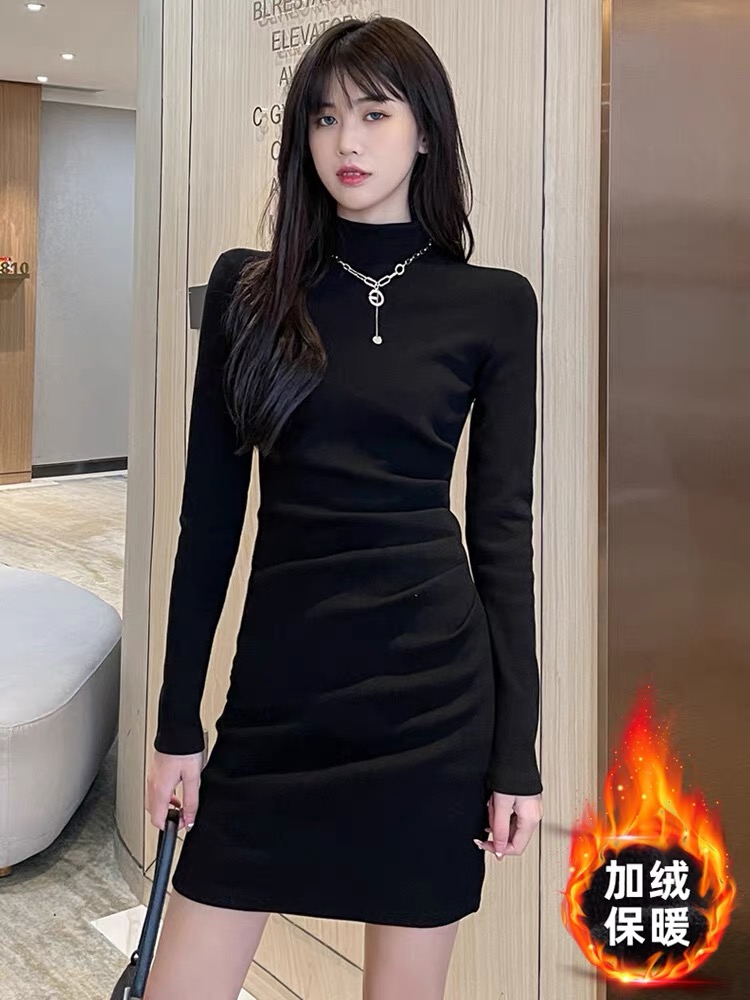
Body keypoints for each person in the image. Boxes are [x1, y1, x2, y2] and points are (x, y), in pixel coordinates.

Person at [143, 14, 543, 1000]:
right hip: (279, 698)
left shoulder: (495, 304)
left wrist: (517, 754)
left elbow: (502, 536)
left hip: (432, 706)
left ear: (426, 131)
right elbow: (208, 524)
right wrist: (176, 723)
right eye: (324, 118)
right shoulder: (249, 291)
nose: (346, 141)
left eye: (373, 113)